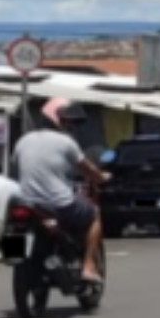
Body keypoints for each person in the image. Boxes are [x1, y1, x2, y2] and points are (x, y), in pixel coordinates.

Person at [10, 98, 106, 284]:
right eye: (68, 121)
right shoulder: (66, 143)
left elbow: (17, 168)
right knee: (94, 214)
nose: (71, 126)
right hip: (58, 203)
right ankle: (88, 265)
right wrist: (101, 177)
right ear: (57, 119)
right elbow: (87, 169)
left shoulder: (23, 140)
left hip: (25, 202)